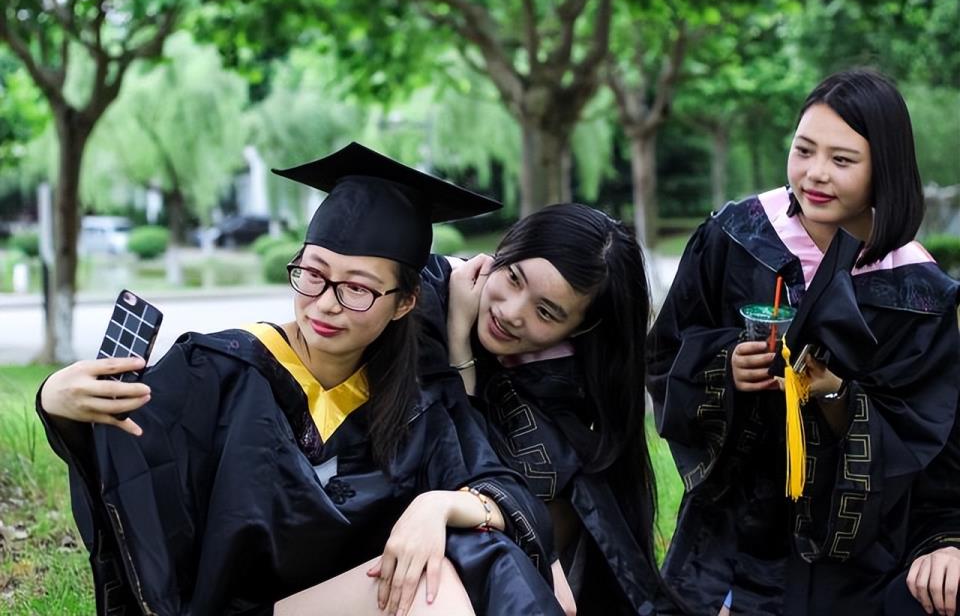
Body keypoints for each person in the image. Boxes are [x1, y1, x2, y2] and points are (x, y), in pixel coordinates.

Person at [37, 142, 564, 616]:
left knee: (475, 556)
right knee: (444, 578)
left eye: (357, 289)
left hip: (350, 599)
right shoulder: (221, 367)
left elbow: (494, 485)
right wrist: (55, 400)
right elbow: (125, 461)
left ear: (405, 303)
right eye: (312, 273)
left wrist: (434, 505)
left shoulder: (412, 398)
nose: (325, 304)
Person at [646, 69, 960, 615]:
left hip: (849, 555)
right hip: (728, 535)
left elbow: (934, 437)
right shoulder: (736, 236)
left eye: (842, 161)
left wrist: (835, 395)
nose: (815, 174)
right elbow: (665, 353)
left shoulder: (917, 291)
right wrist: (725, 367)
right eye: (804, 150)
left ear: (883, 168)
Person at [416, 202, 676, 614]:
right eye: (513, 277)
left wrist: (460, 347)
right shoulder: (427, 298)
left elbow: (477, 481)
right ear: (506, 248)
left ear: (581, 328)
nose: (511, 312)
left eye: (546, 312)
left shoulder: (572, 391)